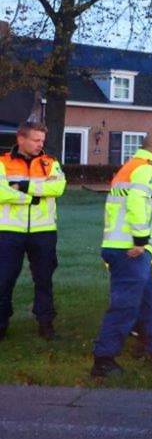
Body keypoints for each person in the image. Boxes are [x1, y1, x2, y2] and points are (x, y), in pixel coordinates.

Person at [90, 131, 152, 377]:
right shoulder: (147, 170)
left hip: (127, 249)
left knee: (151, 305)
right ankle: (103, 360)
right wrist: (141, 239)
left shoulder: (133, 167)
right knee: (125, 306)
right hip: (131, 250)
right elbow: (137, 203)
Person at [0, 122, 66, 341]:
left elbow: (58, 188)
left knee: (44, 280)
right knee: (4, 279)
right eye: (36, 140)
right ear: (21, 139)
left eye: (42, 140)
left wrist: (23, 187)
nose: (41, 144)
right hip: (9, 231)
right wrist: (33, 197)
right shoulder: (2, 163)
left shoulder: (50, 163)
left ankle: (46, 324)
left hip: (44, 231)